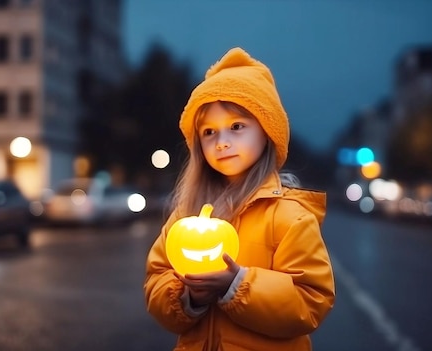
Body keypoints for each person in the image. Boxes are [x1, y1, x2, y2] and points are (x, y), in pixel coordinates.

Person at [144, 47, 335, 351]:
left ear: (267, 132)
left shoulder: (290, 216)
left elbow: (311, 300)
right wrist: (190, 297)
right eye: (209, 132)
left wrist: (238, 285)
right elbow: (156, 282)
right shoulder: (185, 214)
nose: (222, 143)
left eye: (236, 127)